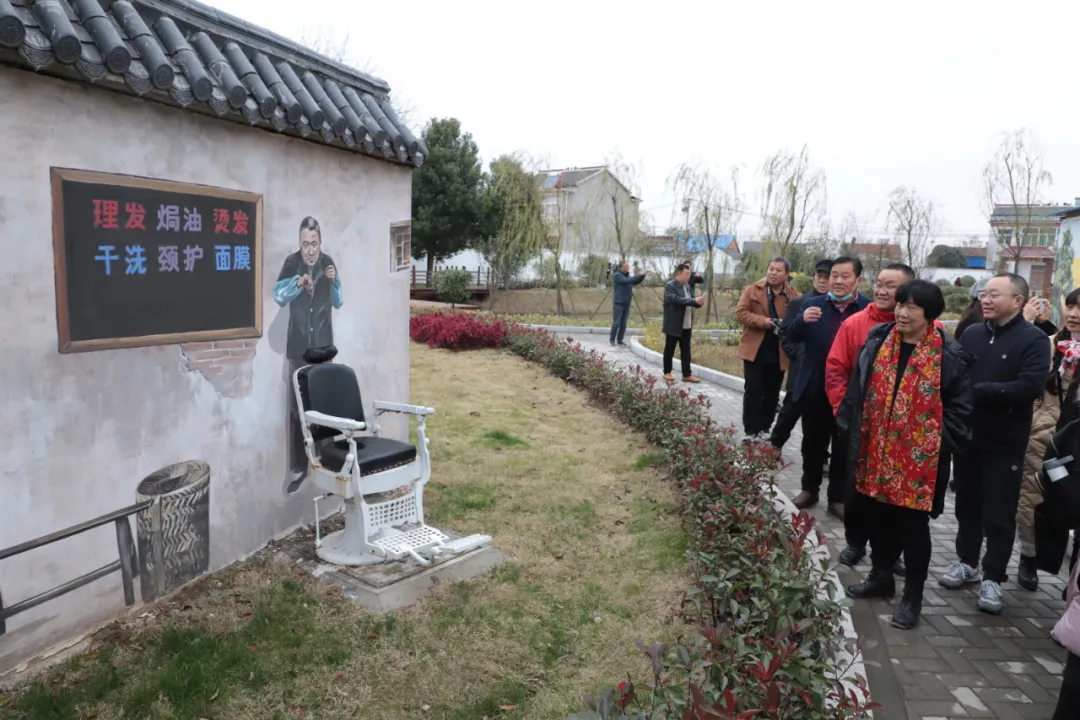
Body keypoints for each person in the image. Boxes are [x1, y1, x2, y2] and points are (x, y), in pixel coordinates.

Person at [839, 280, 973, 630]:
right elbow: (858, 389)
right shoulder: (879, 340)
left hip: (918, 461)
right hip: (874, 449)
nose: (902, 312)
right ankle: (881, 576)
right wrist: (849, 427)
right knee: (876, 516)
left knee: (912, 527)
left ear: (930, 314)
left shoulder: (949, 354)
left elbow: (961, 411)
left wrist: (928, 440)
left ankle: (913, 596)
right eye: (900, 304)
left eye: (912, 307)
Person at [939, 273, 1050, 614]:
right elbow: (955, 374)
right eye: (984, 294)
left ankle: (993, 577)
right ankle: (967, 562)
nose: (985, 300)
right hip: (968, 436)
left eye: (994, 295)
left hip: (1005, 441)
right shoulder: (972, 333)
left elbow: (1029, 386)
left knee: (999, 512)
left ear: (1018, 301)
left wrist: (977, 391)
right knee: (967, 505)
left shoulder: (1033, 339)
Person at [825, 263, 916, 568]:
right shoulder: (855, 324)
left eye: (891, 286)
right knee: (857, 489)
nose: (882, 291)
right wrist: (844, 412)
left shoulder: (929, 330)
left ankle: (893, 551)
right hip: (861, 427)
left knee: (896, 495)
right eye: (879, 284)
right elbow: (836, 370)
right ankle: (855, 542)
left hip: (903, 433)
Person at [784, 256, 871, 513]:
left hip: (850, 390)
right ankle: (809, 489)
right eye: (834, 275)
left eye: (845, 276)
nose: (838, 281)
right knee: (812, 442)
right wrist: (801, 321)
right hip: (815, 386)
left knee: (843, 446)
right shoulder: (812, 304)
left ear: (858, 280)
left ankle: (838, 499)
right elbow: (790, 335)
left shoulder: (868, 308)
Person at [1016, 292, 1080, 592]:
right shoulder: (1050, 344)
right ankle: (1029, 557)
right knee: (1033, 500)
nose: (1074, 313)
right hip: (1045, 437)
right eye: (1070, 306)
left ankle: (1074, 579)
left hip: (1077, 441)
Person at [273, 216, 344, 474]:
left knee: (325, 405)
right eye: (306, 244)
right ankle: (299, 466)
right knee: (297, 409)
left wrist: (334, 283)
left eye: (314, 244)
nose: (310, 250)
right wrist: (297, 282)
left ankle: (328, 459)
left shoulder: (328, 263)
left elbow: (338, 301)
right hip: (299, 349)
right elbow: (278, 295)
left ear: (320, 243)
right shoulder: (292, 263)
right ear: (300, 244)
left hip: (324, 348)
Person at [771, 259, 833, 450]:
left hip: (826, 371)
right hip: (801, 369)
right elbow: (784, 332)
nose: (821, 280)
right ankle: (775, 446)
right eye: (819, 276)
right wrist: (796, 354)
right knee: (790, 409)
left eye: (826, 277)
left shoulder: (836, 306)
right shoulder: (800, 302)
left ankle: (821, 455)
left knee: (822, 416)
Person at [735, 257, 800, 440]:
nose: (773, 273)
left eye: (778, 270)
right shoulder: (753, 290)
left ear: (786, 274)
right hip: (754, 348)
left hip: (779, 350)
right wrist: (763, 321)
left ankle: (764, 428)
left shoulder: (794, 296)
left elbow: (798, 322)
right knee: (753, 389)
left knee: (772, 391)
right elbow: (740, 313)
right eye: (771, 269)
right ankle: (750, 431)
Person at [662, 263, 704, 383]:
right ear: (678, 274)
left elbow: (691, 300)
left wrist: (698, 302)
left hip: (687, 323)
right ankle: (667, 372)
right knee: (670, 348)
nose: (688, 277)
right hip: (674, 323)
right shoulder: (670, 286)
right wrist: (693, 300)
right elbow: (675, 300)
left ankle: (687, 374)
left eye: (690, 274)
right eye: (686, 274)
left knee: (686, 350)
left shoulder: (688, 286)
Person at [610, 260, 646, 346]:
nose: (628, 267)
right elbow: (627, 281)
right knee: (616, 323)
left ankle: (620, 339)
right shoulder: (618, 275)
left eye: (628, 266)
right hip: (619, 303)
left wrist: (642, 276)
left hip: (626, 303)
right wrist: (638, 274)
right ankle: (612, 339)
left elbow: (635, 281)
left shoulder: (628, 276)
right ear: (622, 267)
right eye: (627, 266)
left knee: (624, 324)